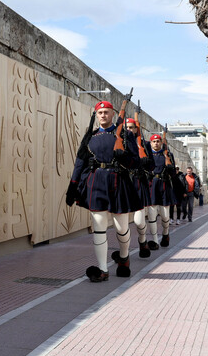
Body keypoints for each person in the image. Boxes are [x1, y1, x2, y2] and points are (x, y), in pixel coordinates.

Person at [66, 101, 142, 282]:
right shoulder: (90, 137)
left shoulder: (124, 135)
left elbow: (136, 162)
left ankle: (124, 257)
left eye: (106, 112)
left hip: (118, 180)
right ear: (96, 115)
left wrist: (125, 159)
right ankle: (102, 269)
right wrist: (72, 186)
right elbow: (80, 163)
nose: (103, 115)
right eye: (100, 113)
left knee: (121, 227)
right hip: (96, 182)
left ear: (113, 114)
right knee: (98, 227)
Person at [125, 118, 154, 258]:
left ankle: (142, 240)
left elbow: (152, 166)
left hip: (138, 182)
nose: (130, 130)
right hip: (124, 182)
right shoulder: (120, 142)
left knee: (138, 221)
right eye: (127, 127)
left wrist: (146, 162)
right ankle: (124, 254)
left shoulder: (144, 144)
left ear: (136, 129)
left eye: (132, 127)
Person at [147, 134, 176, 250]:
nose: (156, 143)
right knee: (152, 215)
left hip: (164, 185)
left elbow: (173, 173)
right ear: (150, 143)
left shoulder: (167, 155)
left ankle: (165, 233)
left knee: (165, 216)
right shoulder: (147, 155)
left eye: (158, 141)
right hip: (152, 185)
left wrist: (170, 167)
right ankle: (154, 240)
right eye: (154, 141)